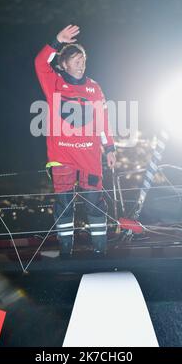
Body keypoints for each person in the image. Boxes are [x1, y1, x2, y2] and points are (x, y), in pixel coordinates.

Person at [35, 25, 116, 257]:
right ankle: (65, 252)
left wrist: (109, 147)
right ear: (64, 64)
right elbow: (40, 63)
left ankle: (101, 251)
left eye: (83, 59)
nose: (81, 64)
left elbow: (103, 120)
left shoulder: (94, 87)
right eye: (76, 60)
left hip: (90, 156)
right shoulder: (54, 83)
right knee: (64, 205)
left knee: (94, 204)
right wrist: (56, 41)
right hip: (62, 156)